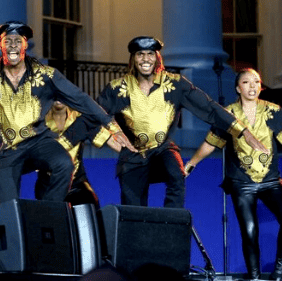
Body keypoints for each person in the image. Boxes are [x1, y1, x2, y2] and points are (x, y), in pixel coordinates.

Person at [0, 21, 135, 207]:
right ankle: (16, 229)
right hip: (5, 151)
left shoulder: (46, 75)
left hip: (38, 143)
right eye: (8, 41)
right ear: (1, 45)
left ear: (25, 45)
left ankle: (47, 212)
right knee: (7, 210)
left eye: (18, 41)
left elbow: (81, 99)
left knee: (63, 164)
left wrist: (112, 126)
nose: (13, 45)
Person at [184, 68, 282, 281]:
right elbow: (211, 142)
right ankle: (254, 278)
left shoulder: (272, 111)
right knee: (250, 231)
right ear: (238, 88)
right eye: (246, 82)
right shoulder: (228, 114)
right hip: (241, 182)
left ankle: (278, 274)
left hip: (270, 180)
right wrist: (192, 163)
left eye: (256, 82)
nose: (252, 86)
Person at [96, 36, 268, 208]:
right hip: (133, 156)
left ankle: (172, 222)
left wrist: (242, 131)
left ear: (157, 57)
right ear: (133, 58)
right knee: (133, 212)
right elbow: (93, 116)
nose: (145, 59)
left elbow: (209, 107)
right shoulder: (117, 88)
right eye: (140, 54)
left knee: (176, 174)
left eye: (150, 54)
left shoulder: (175, 84)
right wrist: (111, 141)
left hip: (163, 149)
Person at [0, 101, 122, 207]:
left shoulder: (80, 120)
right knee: (52, 227)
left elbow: (113, 141)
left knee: (91, 208)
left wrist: (135, 150)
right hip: (48, 186)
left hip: (77, 183)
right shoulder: (36, 124)